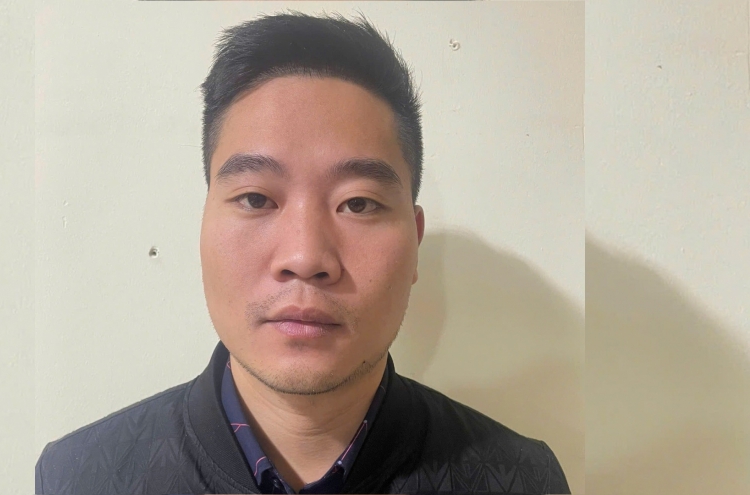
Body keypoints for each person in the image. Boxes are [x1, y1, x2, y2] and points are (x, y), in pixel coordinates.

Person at [35, 11, 570, 495]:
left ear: (415, 241)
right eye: (255, 198)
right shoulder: (81, 477)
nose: (305, 256)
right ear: (203, 223)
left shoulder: (523, 480)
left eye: (358, 203)